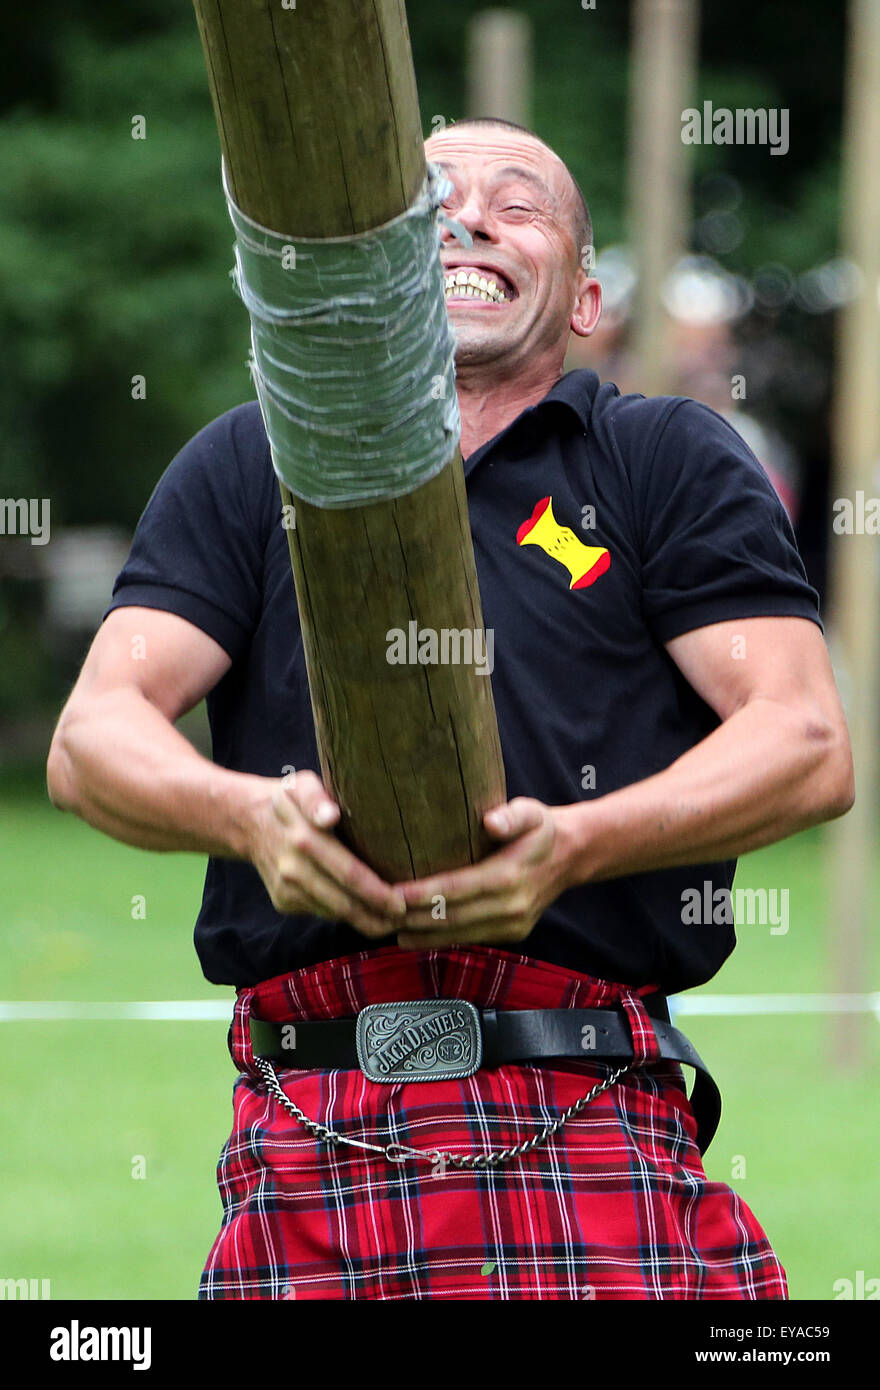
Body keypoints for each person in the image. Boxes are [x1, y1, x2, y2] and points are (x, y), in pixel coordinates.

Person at [46, 118, 854, 1301]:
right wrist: (245, 816)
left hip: (578, 1113)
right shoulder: (246, 461)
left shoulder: (660, 459)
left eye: (516, 204)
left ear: (583, 300)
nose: (468, 218)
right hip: (311, 1130)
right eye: (431, 202)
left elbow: (803, 740)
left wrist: (579, 843)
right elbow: (92, 736)